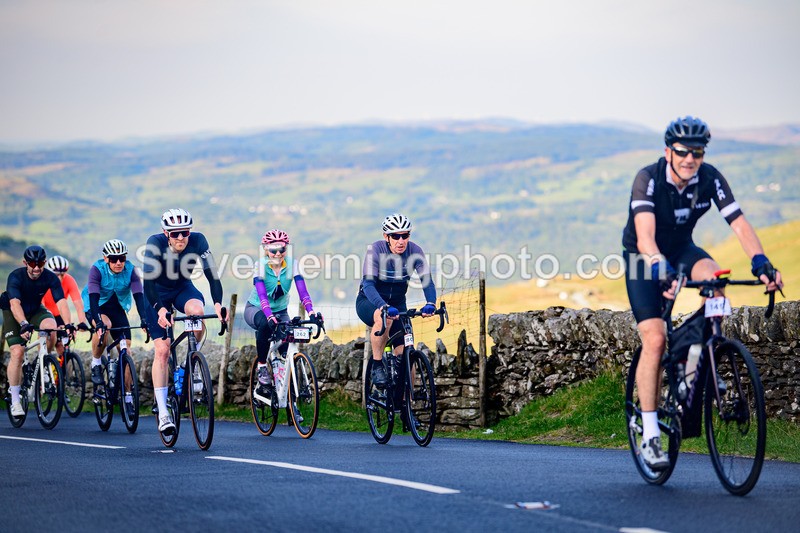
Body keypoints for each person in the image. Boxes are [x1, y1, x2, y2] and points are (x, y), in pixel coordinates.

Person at [622, 116, 784, 470]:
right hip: (642, 259)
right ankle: (650, 435)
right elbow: (645, 237)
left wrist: (761, 262)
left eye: (697, 152)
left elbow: (739, 223)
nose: (689, 159)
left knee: (716, 280)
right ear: (668, 151)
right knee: (655, 339)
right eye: (682, 151)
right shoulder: (648, 179)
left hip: (682, 250)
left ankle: (695, 362)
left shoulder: (709, 177)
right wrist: (660, 269)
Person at [142, 208, 226, 436]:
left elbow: (212, 275)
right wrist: (160, 310)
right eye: (175, 233)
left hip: (182, 288)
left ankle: (190, 362)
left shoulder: (198, 241)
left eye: (185, 232)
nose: (180, 237)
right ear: (166, 233)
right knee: (163, 350)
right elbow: (148, 283)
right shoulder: (154, 243)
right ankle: (163, 412)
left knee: (197, 312)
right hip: (156, 293)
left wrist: (218, 304)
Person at [245, 229, 321, 421]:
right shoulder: (260, 266)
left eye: (282, 249)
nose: (278, 254)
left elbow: (303, 292)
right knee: (265, 325)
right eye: (273, 250)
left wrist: (312, 312)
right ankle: (262, 366)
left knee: (288, 349)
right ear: (266, 250)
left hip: (280, 311)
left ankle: (291, 402)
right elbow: (262, 295)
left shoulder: (292, 265)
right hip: (256, 309)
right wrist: (269, 316)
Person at [356, 213, 437, 389]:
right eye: (395, 236)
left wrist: (431, 303)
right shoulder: (376, 250)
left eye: (405, 235)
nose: (401, 241)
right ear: (386, 237)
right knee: (384, 318)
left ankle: (407, 400)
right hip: (370, 301)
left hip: (398, 304)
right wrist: (383, 306)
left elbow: (427, 281)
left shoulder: (415, 251)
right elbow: (368, 285)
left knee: (406, 354)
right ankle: (377, 365)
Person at [0, 246, 73, 417]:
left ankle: (44, 363)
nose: (37, 268)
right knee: (17, 352)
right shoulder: (16, 276)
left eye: (40, 263)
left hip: (34, 309)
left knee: (51, 326)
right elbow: (15, 304)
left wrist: (68, 324)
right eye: (32, 264)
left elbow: (61, 301)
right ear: (25, 263)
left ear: (44, 262)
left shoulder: (50, 277)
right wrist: (24, 324)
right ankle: (15, 400)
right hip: (13, 311)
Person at [81, 239, 149, 397]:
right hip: (95, 305)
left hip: (116, 306)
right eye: (113, 259)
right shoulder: (97, 270)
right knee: (105, 326)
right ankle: (96, 363)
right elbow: (93, 298)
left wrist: (144, 319)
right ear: (106, 258)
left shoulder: (131, 270)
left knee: (126, 349)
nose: (118, 262)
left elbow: (139, 296)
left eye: (122, 258)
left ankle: (128, 397)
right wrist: (98, 322)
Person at [42, 255, 89, 357]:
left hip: (60, 314)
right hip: (45, 314)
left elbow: (78, 303)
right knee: (46, 341)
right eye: (56, 274)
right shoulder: (43, 281)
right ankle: (43, 359)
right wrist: (52, 325)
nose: (60, 278)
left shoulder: (69, 280)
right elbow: (41, 305)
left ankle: (63, 366)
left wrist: (82, 322)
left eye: (62, 274)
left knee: (62, 345)